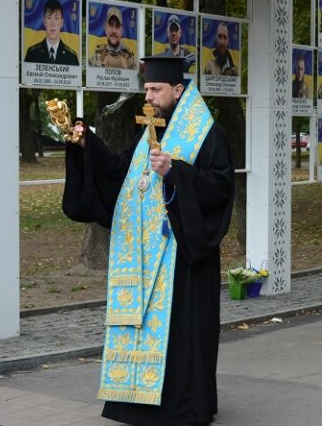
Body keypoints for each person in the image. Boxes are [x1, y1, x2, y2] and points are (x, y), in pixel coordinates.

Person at [62, 56, 234, 426]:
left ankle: (184, 406)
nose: (150, 97)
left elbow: (221, 186)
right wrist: (85, 143)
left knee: (182, 335)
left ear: (178, 90)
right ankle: (136, 403)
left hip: (182, 256)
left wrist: (175, 171)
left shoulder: (206, 133)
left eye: (156, 90)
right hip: (143, 253)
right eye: (146, 90)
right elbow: (121, 173)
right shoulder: (150, 128)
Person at [24, 0, 79, 65]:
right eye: (49, 18)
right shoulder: (32, 53)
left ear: (61, 22)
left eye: (56, 18)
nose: (53, 24)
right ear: (44, 21)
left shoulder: (71, 56)